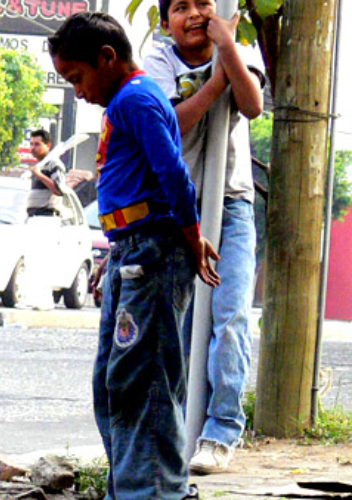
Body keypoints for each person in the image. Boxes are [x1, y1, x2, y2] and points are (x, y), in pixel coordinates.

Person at [49, 12, 221, 499]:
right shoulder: (127, 102)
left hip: (154, 254)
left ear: (107, 58)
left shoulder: (137, 99)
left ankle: (153, 492)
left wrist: (190, 235)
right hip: (132, 251)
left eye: (78, 78)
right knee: (115, 381)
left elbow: (173, 173)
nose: (78, 92)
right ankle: (131, 486)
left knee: (143, 383)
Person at [144, 0, 265, 475]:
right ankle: (178, 432)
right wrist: (217, 79)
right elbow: (172, 125)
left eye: (203, 5)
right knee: (180, 327)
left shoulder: (238, 49)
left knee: (230, 317)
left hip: (231, 204)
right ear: (165, 21)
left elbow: (252, 104)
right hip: (178, 210)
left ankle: (221, 431)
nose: (194, 15)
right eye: (181, 7)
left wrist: (228, 47)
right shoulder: (157, 60)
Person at [26, 129, 68, 217]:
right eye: (31, 144)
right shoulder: (39, 166)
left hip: (47, 216)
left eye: (37, 144)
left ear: (48, 145)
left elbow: (59, 191)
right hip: (34, 216)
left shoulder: (54, 164)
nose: (33, 148)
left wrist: (40, 175)